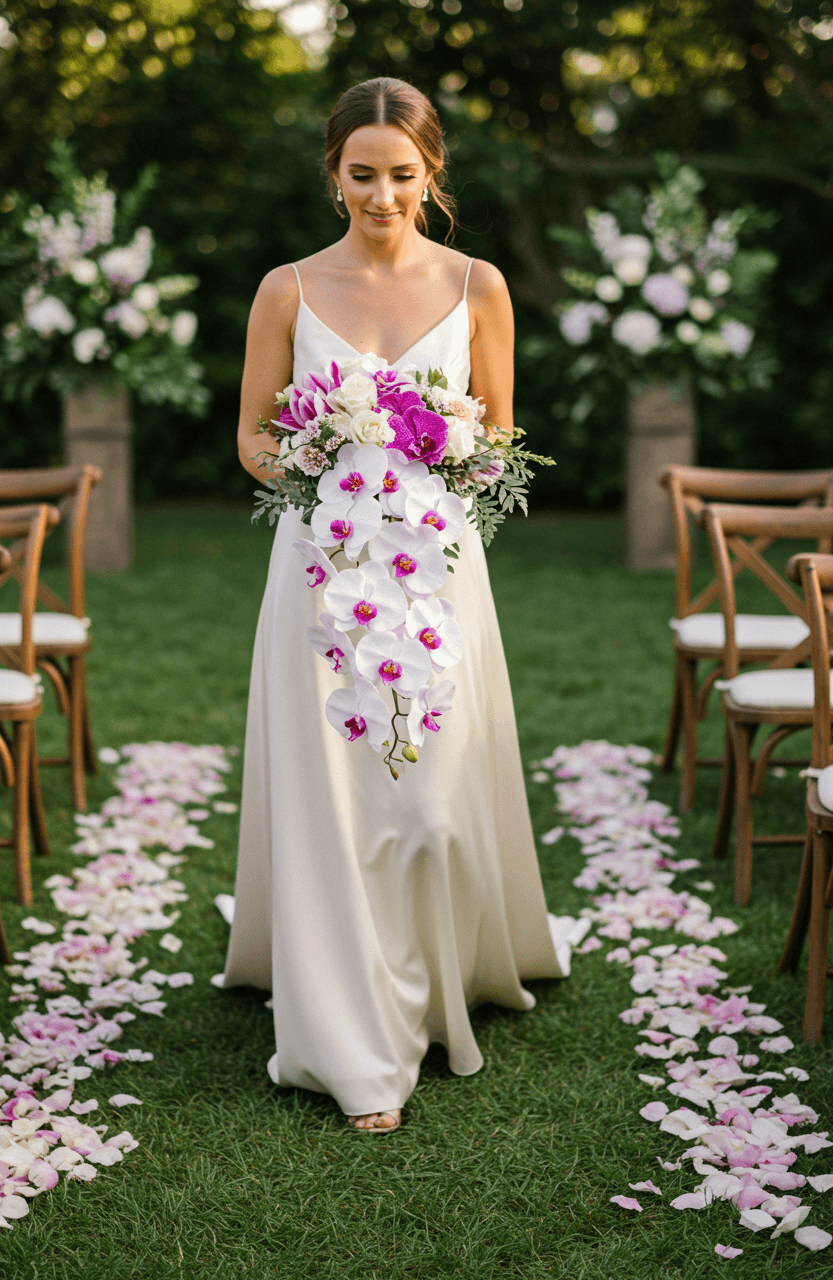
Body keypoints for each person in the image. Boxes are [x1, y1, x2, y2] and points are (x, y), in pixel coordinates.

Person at [219, 77, 573, 1133]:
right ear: (332, 175)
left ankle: (438, 973)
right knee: (333, 786)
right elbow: (248, 434)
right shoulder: (285, 288)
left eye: (400, 175)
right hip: (322, 564)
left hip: (434, 565)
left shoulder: (478, 285)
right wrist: (322, 453)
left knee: (425, 793)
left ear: (431, 175)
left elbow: (501, 432)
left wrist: (446, 456)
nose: (381, 194)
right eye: (360, 173)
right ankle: (347, 1024)